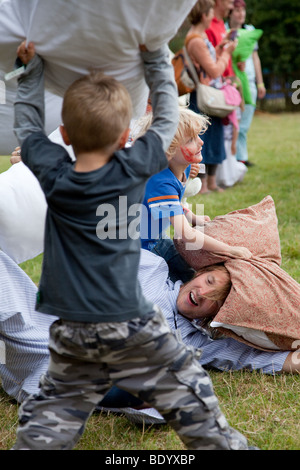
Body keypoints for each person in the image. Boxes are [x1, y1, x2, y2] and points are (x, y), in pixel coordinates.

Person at [11, 41, 252, 450]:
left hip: (74, 327)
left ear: (65, 135)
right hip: (133, 320)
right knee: (192, 398)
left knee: (50, 422)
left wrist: (31, 67)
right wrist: (156, 57)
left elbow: (28, 125)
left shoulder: (51, 168)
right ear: (127, 135)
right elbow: (164, 116)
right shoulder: (138, 165)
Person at [140, 106, 252, 283]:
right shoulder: (160, 182)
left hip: (155, 239)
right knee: (174, 280)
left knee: (189, 270)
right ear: (168, 150)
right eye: (191, 139)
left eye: (198, 136)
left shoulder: (179, 169)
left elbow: (174, 203)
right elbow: (187, 235)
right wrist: (230, 250)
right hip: (140, 250)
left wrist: (192, 217)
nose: (200, 142)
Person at [186, 0, 237, 193]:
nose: (212, 17)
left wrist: (220, 49)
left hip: (207, 96)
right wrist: (227, 54)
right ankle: (204, 185)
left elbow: (208, 60)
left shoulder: (198, 37)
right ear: (204, 15)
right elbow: (214, 70)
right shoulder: (196, 39)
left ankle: (212, 183)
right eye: (210, 13)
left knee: (213, 136)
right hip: (201, 97)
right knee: (203, 140)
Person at [228, 0, 266, 166]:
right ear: (230, 12)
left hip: (249, 82)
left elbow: (255, 58)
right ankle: (233, 158)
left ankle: (241, 157)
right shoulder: (225, 31)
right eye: (237, 10)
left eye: (243, 10)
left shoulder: (250, 31)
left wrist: (260, 83)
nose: (241, 13)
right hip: (231, 83)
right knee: (232, 124)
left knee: (244, 124)